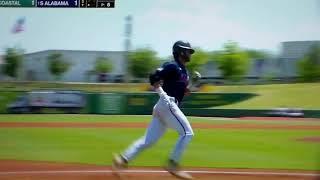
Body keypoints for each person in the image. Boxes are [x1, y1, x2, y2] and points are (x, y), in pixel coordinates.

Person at [113, 40, 199, 180]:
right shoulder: (173, 66)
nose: (190, 53)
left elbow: (184, 92)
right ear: (180, 52)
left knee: (149, 140)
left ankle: (122, 159)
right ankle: (172, 164)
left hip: (164, 106)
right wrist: (162, 94)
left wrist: (194, 84)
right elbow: (154, 76)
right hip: (168, 104)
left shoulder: (184, 71)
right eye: (188, 51)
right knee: (187, 133)